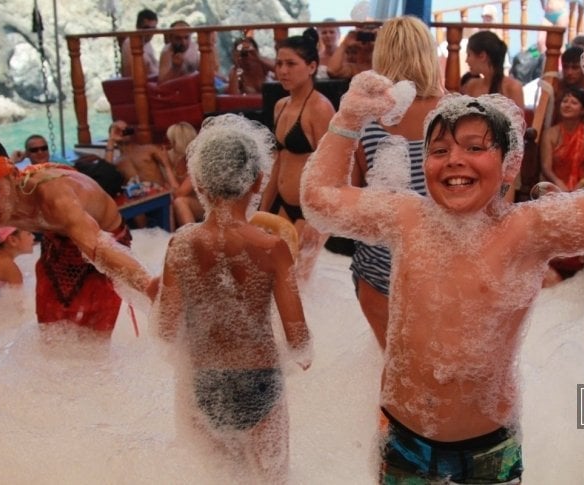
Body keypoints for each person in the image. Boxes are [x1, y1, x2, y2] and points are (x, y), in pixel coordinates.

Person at [300, 13, 584, 483]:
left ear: (507, 165)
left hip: (489, 446)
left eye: (475, 147)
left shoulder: (528, 230)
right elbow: (318, 200)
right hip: (404, 438)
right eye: (439, 151)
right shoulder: (407, 217)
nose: (454, 159)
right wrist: (348, 117)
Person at [155, 114, 312, 483]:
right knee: (271, 476)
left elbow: (165, 328)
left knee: (219, 476)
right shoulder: (272, 247)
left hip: (203, 379)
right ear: (257, 180)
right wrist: (301, 356)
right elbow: (297, 336)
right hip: (260, 379)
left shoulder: (180, 245)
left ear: (199, 184)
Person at [0, 135, 153, 335]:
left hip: (104, 240)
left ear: (14, 175)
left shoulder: (54, 196)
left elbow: (99, 249)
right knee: (50, 332)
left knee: (94, 339)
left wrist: (151, 288)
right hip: (56, 239)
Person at [350, 15, 444, 350]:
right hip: (446, 267)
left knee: (392, 373)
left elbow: (352, 198)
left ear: (382, 57)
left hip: (378, 265)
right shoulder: (459, 112)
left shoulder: (362, 118)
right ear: (428, 55)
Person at [259, 28, 335, 280]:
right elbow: (278, 162)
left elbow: (333, 169)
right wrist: (262, 210)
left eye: (291, 64)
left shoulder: (320, 108)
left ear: (312, 66)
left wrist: (318, 219)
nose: (282, 71)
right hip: (284, 204)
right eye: (279, 63)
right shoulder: (281, 106)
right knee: (274, 277)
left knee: (299, 285)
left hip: (309, 210)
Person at [541, 87, 584, 191]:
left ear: (583, 110)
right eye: (564, 101)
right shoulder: (549, 134)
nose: (567, 105)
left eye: (574, 103)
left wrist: (581, 184)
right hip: (556, 189)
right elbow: (546, 167)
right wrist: (558, 183)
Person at [105, 120, 178, 190]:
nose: (124, 132)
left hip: (158, 193)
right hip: (138, 198)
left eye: (126, 128)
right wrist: (111, 140)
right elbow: (106, 173)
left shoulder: (149, 149)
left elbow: (171, 168)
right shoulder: (117, 163)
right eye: (118, 130)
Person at [462, 30, 525, 109]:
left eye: (469, 55)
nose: (466, 61)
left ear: (482, 56)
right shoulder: (471, 85)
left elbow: (519, 120)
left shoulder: (513, 88)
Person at [165, 122, 203, 227]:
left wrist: (167, 166)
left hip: (210, 205)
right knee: (169, 203)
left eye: (171, 141)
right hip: (193, 202)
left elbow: (179, 193)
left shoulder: (199, 160)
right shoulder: (178, 158)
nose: (168, 145)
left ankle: (191, 239)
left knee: (179, 202)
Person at [120, 9, 159, 78]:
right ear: (138, 27)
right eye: (146, 28)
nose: (150, 32)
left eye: (153, 29)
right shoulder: (131, 44)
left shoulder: (147, 43)